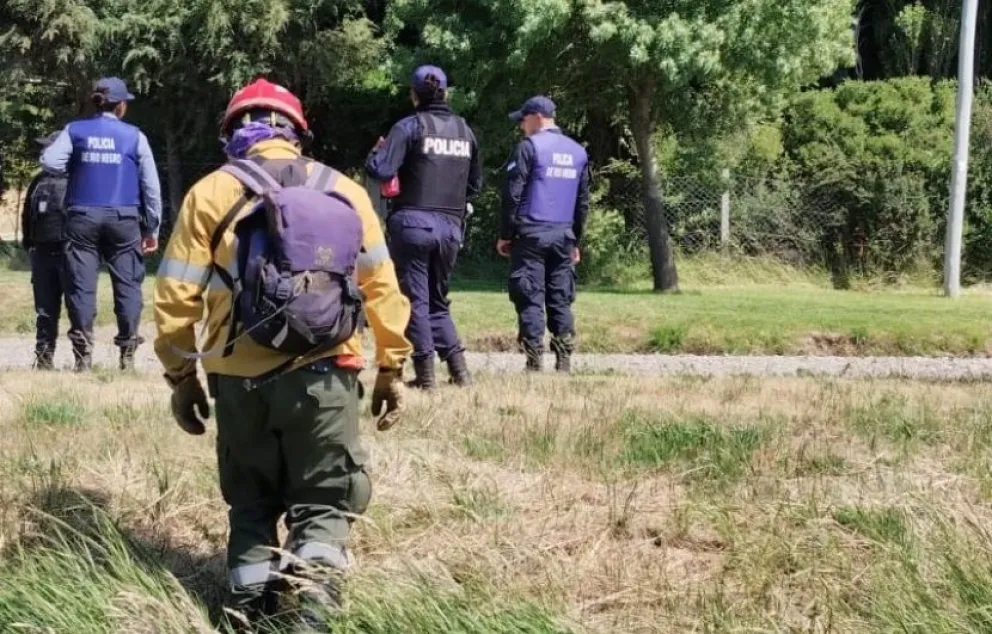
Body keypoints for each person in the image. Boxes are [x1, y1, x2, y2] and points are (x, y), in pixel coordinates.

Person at [153, 77, 412, 632]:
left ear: (233, 132)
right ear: (297, 133)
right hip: (328, 374)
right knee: (324, 502)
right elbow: (382, 290)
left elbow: (176, 298)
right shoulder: (346, 190)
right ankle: (311, 617)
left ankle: (246, 614)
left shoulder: (209, 193)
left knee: (250, 504)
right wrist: (392, 367)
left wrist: (181, 377)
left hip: (238, 380)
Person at [365, 64, 482, 390]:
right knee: (438, 299)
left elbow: (382, 170)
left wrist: (376, 153)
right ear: (445, 92)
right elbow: (475, 184)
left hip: (413, 224)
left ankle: (427, 377)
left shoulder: (409, 127)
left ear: (414, 94)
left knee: (415, 299)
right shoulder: (464, 131)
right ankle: (460, 373)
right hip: (451, 227)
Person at [40, 76, 162, 372]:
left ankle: (83, 358)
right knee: (128, 285)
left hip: (82, 216)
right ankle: (128, 355)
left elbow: (49, 161)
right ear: (121, 106)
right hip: (124, 218)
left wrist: (78, 163)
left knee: (81, 286)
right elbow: (151, 186)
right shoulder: (135, 136)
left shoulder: (75, 130)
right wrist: (152, 228)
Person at [499, 95, 590, 373]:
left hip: (530, 233)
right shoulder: (578, 152)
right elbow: (582, 201)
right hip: (563, 235)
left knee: (529, 294)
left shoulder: (529, 148)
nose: (521, 127)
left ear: (537, 117)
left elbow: (513, 193)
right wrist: (576, 239)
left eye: (523, 120)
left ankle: (534, 359)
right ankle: (564, 361)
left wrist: (506, 233)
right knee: (560, 296)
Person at [22, 131, 70, 370]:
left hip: (69, 253)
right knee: (44, 310)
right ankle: (43, 359)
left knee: (78, 309)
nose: (43, 153)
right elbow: (26, 215)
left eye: (48, 149)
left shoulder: (78, 180)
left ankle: (82, 360)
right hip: (41, 253)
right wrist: (28, 244)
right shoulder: (38, 180)